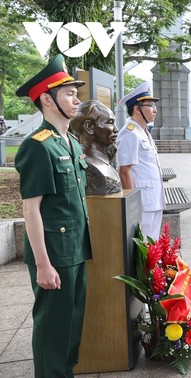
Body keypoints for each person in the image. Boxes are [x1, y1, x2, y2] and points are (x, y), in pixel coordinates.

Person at [14, 54, 92, 377]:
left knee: (72, 327)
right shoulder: (38, 146)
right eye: (69, 94)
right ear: (47, 99)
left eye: (76, 93)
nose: (77, 99)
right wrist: (43, 264)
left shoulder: (70, 143)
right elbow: (31, 209)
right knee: (52, 329)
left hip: (76, 248)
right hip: (54, 254)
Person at [117, 82, 165, 240]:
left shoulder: (143, 131)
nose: (155, 110)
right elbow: (124, 172)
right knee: (144, 246)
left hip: (154, 198)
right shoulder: (129, 133)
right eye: (150, 105)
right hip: (142, 203)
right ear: (137, 109)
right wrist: (132, 207)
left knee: (153, 246)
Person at [70, 100, 122, 195]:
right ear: (89, 127)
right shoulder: (86, 164)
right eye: (110, 123)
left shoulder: (103, 160)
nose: (116, 129)